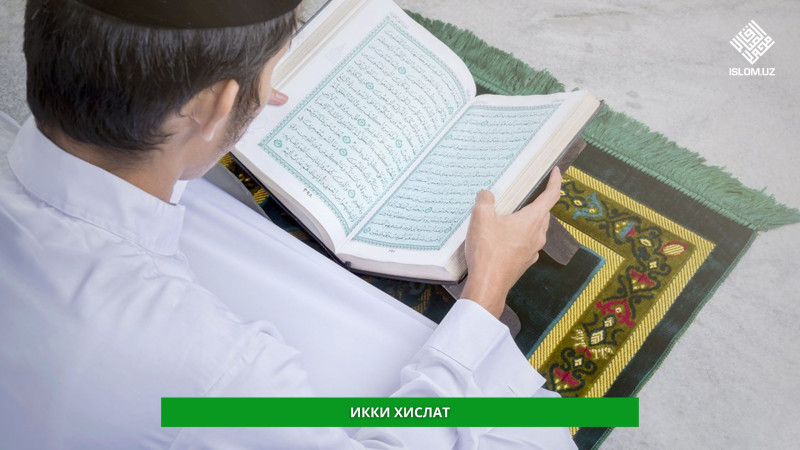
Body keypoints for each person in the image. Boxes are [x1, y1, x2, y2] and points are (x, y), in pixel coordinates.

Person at [0, 0, 576, 448]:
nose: (270, 92)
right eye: (270, 73)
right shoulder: (220, 368)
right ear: (211, 106)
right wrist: (485, 294)